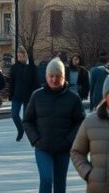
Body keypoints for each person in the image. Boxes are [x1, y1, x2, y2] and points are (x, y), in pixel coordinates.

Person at [24, 58, 85, 193]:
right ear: (46, 77)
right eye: (51, 76)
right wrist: (35, 140)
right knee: (46, 179)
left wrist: (69, 140)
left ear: (63, 77)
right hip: (43, 148)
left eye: (58, 76)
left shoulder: (73, 98)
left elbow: (80, 122)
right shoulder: (37, 96)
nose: (54, 79)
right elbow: (27, 121)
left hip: (63, 148)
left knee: (59, 182)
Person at [9, 46, 38, 142]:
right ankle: (20, 129)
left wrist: (35, 95)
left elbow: (36, 82)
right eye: (18, 56)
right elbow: (11, 82)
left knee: (26, 117)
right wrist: (11, 94)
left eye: (22, 56)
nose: (20, 58)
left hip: (28, 96)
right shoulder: (14, 67)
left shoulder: (32, 67)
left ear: (26, 56)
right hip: (16, 95)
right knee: (14, 115)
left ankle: (29, 133)